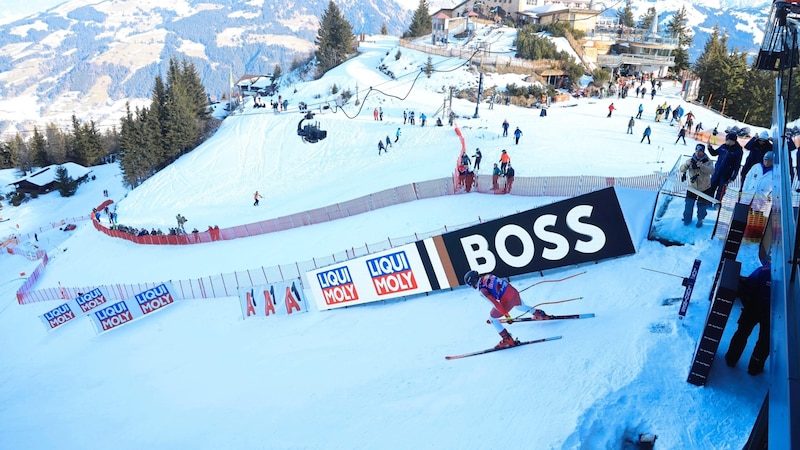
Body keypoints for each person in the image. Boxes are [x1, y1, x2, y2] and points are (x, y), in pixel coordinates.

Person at [463, 270, 548, 349]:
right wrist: (512, 294)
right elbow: (504, 282)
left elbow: (496, 305)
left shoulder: (482, 291)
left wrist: (508, 317)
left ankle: (507, 339)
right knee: (520, 307)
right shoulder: (488, 276)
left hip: (507, 300)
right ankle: (539, 314)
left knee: (492, 319)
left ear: (472, 283)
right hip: (513, 292)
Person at [725, 261, 771, 375]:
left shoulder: (763, 271)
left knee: (742, 333)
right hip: (773, 313)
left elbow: (747, 287)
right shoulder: (790, 279)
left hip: (753, 308)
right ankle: (755, 367)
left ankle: (731, 358)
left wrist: (748, 304)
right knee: (764, 341)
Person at [679, 144, 715, 227]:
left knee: (702, 206)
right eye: (697, 151)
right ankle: (687, 219)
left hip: (704, 188)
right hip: (692, 187)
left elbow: (712, 171)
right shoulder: (690, 160)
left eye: (700, 151)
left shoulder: (708, 161)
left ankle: (700, 219)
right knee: (688, 204)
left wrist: (702, 166)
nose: (698, 153)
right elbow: (681, 169)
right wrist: (687, 164)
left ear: (703, 152)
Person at [708, 132, 744, 202]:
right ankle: (708, 202)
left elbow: (737, 165)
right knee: (711, 187)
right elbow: (714, 153)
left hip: (726, 174)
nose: (726, 141)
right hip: (717, 171)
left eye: (727, 140)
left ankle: (717, 204)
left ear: (732, 141)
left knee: (721, 190)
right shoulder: (723, 146)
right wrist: (710, 148)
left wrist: (733, 177)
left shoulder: (738, 151)